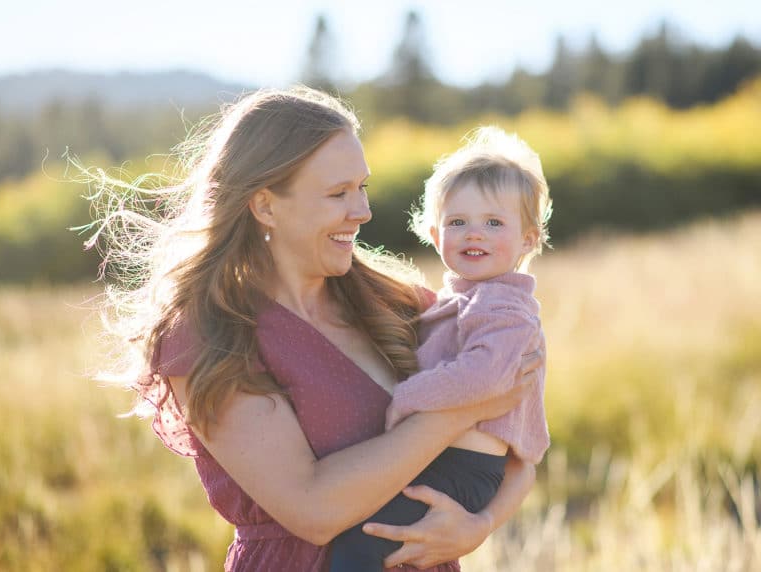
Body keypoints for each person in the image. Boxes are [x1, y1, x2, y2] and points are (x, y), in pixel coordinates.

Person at [87, 87, 540, 572]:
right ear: (265, 206)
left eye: (362, 187)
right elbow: (312, 509)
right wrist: (455, 413)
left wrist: (481, 524)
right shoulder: (208, 335)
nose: (362, 210)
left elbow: (515, 442)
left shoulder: (398, 302)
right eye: (337, 193)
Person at [329, 126, 552, 572]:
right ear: (434, 233)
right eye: (457, 222)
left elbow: (484, 376)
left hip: (463, 468)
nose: (475, 234)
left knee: (362, 546)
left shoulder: (504, 304)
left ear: (528, 239)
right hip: (446, 460)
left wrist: (409, 397)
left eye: (494, 222)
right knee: (366, 540)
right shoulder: (461, 301)